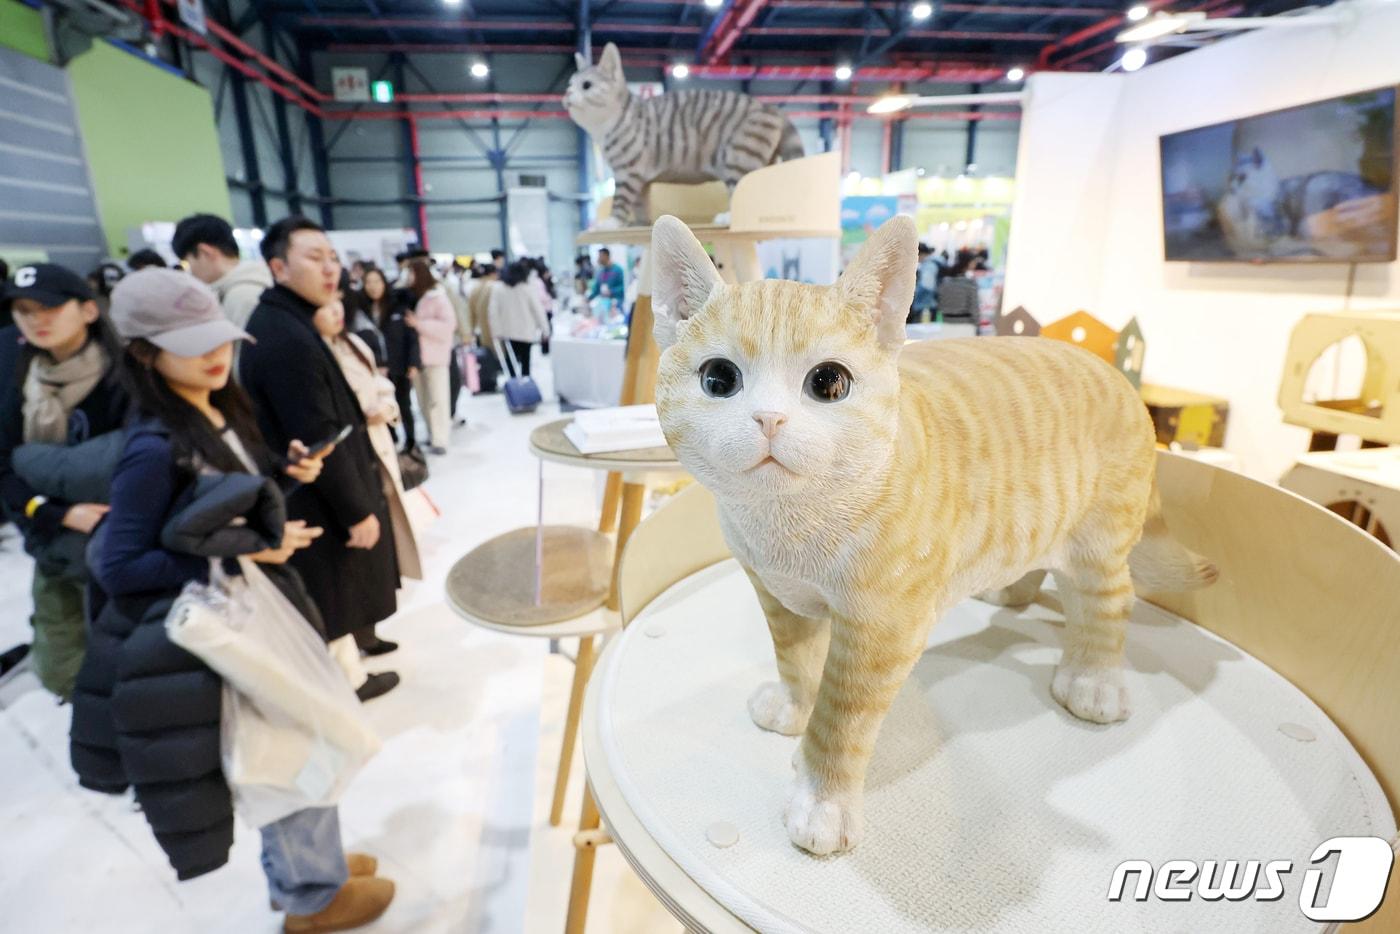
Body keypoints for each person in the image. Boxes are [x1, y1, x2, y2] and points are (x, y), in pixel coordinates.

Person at [70, 268, 395, 931]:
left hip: (256, 609)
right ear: (144, 354)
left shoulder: (217, 408)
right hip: (226, 627)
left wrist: (283, 477)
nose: (215, 355)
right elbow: (119, 564)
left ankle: (308, 869)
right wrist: (247, 549)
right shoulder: (152, 446)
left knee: (300, 741)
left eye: (218, 337)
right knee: (289, 750)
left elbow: (222, 504)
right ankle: (312, 896)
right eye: (192, 344)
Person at [238, 216, 401, 697]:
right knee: (331, 590)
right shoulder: (286, 337)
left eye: (332, 257)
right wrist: (356, 509)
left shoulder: (288, 322)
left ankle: (352, 663)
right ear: (278, 268)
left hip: (311, 486)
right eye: (314, 258)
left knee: (339, 590)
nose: (331, 268)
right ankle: (343, 687)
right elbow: (317, 435)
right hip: (313, 495)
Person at [0, 264, 129, 701]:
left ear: (89, 310)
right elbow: (4, 466)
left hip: (118, 543)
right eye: (23, 310)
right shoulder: (19, 378)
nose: (36, 319)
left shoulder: (126, 376)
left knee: (130, 661)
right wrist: (53, 511)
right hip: (52, 540)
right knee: (63, 666)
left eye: (50, 306)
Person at [311, 288, 422, 601]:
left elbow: (381, 386)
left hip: (377, 446)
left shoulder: (354, 343)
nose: (336, 311)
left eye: (337, 302)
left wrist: (386, 409)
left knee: (385, 517)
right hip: (352, 454)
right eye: (325, 306)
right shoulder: (314, 353)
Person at [171, 213, 274, 329]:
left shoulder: (241, 296)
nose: (189, 272)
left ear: (205, 252)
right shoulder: (253, 282)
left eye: (187, 263)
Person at [365, 267, 420, 449]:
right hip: (376, 368)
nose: (373, 286)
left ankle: (411, 441)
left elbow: (411, 337)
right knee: (382, 404)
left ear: (384, 283)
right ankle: (392, 439)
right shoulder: (362, 311)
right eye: (368, 282)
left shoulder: (398, 307)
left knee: (404, 403)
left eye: (377, 281)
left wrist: (413, 363)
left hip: (400, 365)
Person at [406, 258, 456, 455]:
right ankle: (432, 433)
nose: (408, 277)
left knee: (438, 400)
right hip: (417, 359)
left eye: (411, 273)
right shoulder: (413, 297)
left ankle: (440, 439)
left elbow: (448, 326)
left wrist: (419, 324)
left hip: (436, 357)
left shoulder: (438, 297)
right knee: (423, 400)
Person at [489, 260, 550, 380]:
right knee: (525, 362)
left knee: (510, 361)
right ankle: (525, 384)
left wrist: (495, 331)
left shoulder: (498, 288)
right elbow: (538, 310)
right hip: (526, 332)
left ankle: (514, 384)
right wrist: (545, 330)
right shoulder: (527, 288)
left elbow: (493, 312)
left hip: (506, 332)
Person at [936, 259, 981, 323]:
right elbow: (974, 309)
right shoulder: (970, 284)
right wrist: (977, 325)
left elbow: (940, 305)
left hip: (946, 322)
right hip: (965, 323)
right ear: (967, 265)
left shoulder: (944, 283)